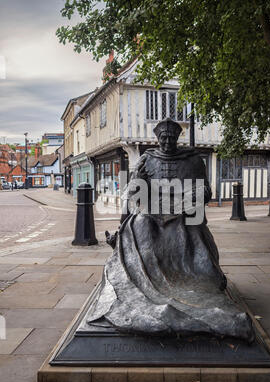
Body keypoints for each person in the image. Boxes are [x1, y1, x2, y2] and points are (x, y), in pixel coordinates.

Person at [88, 118, 254, 342]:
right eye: (163, 138)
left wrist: (197, 195)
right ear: (157, 138)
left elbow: (205, 190)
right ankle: (142, 280)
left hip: (183, 212)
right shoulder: (147, 158)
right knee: (140, 226)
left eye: (171, 138)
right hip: (152, 212)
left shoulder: (193, 160)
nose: (167, 142)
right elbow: (132, 194)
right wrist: (139, 180)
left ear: (177, 138)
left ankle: (199, 281)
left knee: (191, 231)